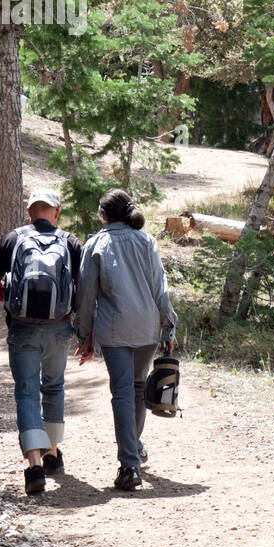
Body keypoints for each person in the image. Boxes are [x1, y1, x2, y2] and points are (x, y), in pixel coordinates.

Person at [0, 187, 83, 495]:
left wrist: (14, 301)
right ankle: (53, 452)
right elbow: (84, 289)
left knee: (27, 392)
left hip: (22, 328)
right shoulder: (70, 242)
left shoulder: (12, 239)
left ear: (29, 212)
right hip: (58, 328)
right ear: (56, 213)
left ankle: (35, 465)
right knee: (54, 387)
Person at [75, 188, 175, 492]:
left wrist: (83, 335)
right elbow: (161, 289)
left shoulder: (95, 244)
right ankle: (134, 447)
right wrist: (168, 327)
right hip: (147, 326)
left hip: (115, 329)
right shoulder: (147, 241)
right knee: (137, 386)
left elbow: (86, 296)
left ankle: (130, 465)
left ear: (104, 215)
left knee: (122, 391)